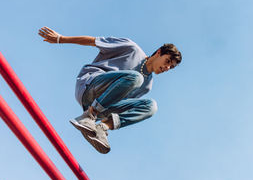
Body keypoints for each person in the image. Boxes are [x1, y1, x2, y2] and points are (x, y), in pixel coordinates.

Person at [38, 27, 182, 154]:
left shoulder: (148, 85)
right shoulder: (131, 48)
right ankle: (90, 115)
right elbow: (93, 41)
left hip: (101, 105)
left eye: (171, 67)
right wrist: (60, 39)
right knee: (136, 78)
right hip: (91, 85)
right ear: (158, 52)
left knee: (151, 106)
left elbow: (121, 104)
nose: (167, 67)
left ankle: (101, 127)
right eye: (167, 61)